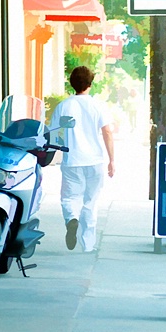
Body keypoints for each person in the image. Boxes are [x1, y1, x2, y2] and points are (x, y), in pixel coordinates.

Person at [50, 66, 115, 253]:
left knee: (70, 197)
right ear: (90, 84)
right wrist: (112, 160)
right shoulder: (98, 105)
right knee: (91, 201)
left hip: (72, 160)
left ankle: (71, 219)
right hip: (94, 161)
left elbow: (52, 132)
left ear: (72, 83)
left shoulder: (64, 106)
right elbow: (108, 131)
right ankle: (87, 244)